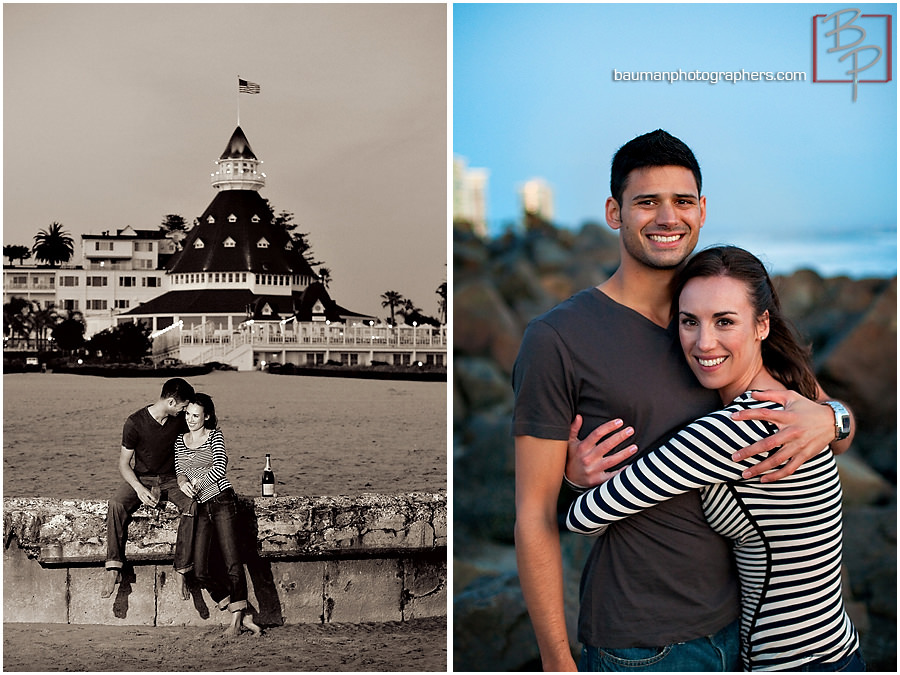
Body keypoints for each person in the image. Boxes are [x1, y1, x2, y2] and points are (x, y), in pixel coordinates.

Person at [511, 130, 856, 671]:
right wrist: (557, 661)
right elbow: (533, 514)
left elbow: (832, 424)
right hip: (644, 641)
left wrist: (830, 419)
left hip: (740, 633)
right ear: (614, 211)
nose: (667, 217)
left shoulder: (720, 321)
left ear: (701, 212)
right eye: (646, 202)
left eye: (682, 202)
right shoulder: (558, 338)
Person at [566, 246, 863, 671]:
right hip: (836, 649)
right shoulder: (791, 392)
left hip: (789, 662)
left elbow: (584, 518)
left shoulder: (732, 428)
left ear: (762, 324)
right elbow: (840, 428)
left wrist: (578, 478)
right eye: (689, 322)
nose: (704, 342)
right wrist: (834, 417)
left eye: (725, 321)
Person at [175, 393, 261, 637]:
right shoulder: (180, 440)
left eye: (196, 415)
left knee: (232, 561)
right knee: (201, 569)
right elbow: (180, 470)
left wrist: (198, 482)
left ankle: (235, 622)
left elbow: (220, 467)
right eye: (188, 414)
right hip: (200, 506)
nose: (190, 419)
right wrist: (183, 483)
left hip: (222, 501)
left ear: (207, 417)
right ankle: (240, 612)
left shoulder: (214, 436)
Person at [103, 377, 197, 599]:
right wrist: (138, 488)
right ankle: (113, 568)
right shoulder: (134, 423)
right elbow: (124, 464)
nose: (185, 412)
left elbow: (191, 451)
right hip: (142, 478)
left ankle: (182, 569)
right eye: (183, 407)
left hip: (173, 479)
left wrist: (185, 479)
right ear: (172, 402)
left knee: (192, 505)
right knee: (116, 504)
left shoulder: (180, 421)